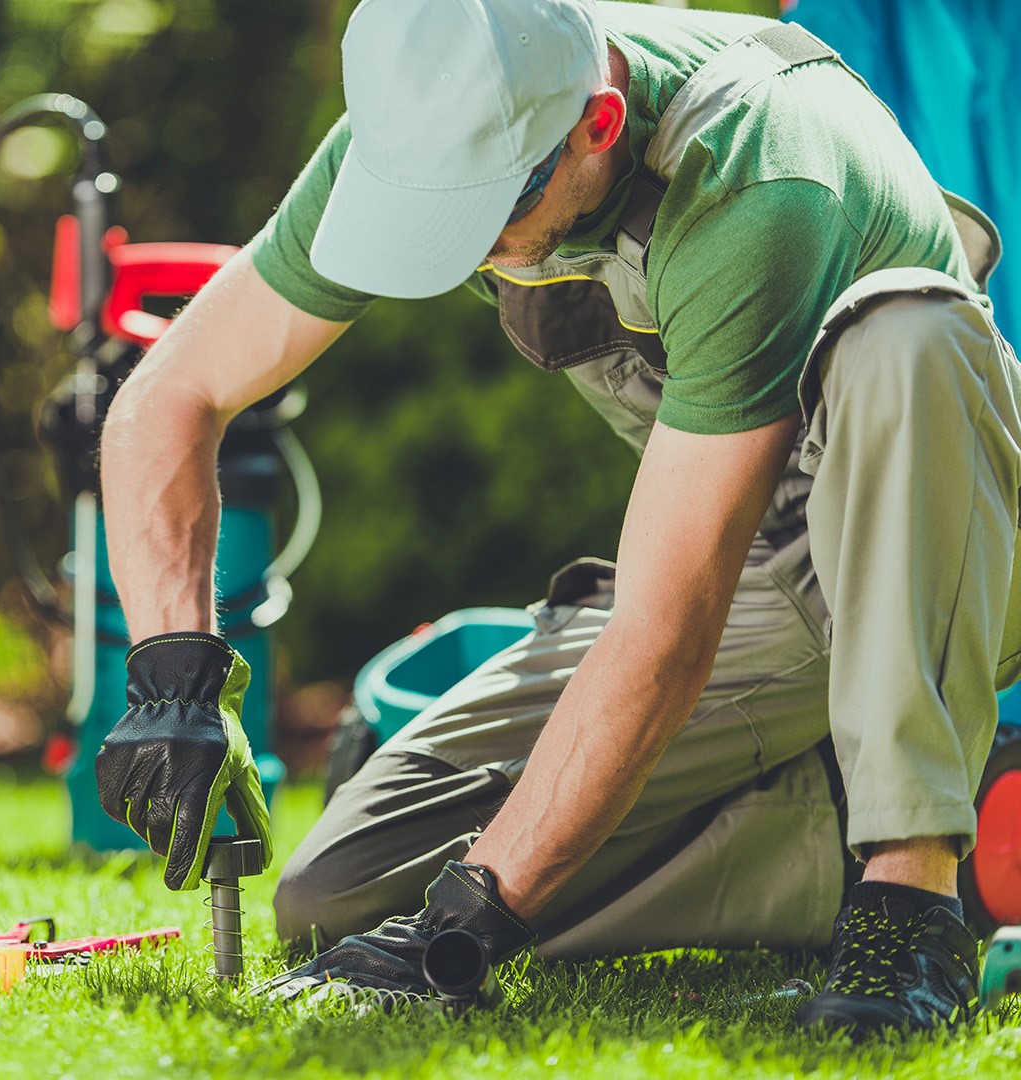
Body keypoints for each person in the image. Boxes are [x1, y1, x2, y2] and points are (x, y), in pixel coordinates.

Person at [92, 0, 1021, 1035]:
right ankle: (921, 816)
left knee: (910, 334)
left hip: (945, 554)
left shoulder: (758, 174)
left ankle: (912, 894)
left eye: (493, 210)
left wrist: (474, 917)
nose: (471, 250)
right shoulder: (425, 117)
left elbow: (667, 631)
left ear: (600, 124)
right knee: (341, 894)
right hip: (759, 574)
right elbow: (170, 396)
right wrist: (173, 671)